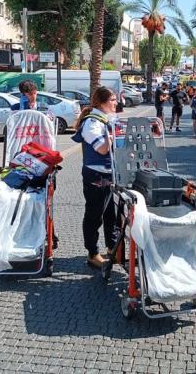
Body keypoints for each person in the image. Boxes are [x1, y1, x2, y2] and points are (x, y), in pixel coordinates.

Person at [71, 87, 119, 268]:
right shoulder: (92, 123)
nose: (116, 103)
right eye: (112, 100)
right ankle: (92, 253)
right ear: (101, 102)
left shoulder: (107, 120)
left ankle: (112, 248)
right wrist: (113, 137)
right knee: (94, 214)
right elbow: (102, 149)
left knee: (110, 214)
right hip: (95, 174)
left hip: (108, 172)